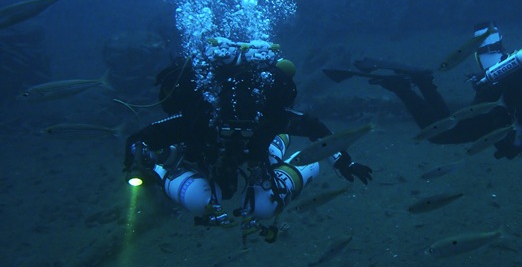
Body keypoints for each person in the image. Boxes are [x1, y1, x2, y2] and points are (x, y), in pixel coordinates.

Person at [124, 37, 372, 239]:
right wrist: (140, 162)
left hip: (254, 159)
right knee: (205, 200)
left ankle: (286, 155)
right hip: (215, 159)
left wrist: (345, 162)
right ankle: (164, 164)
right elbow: (141, 140)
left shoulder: (208, 119)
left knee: (261, 207)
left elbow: (142, 138)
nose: (236, 125)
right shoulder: (206, 118)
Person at [326, 23, 522, 161]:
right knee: (440, 133)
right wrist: (514, 144)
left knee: (448, 123)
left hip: (496, 104)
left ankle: (423, 82)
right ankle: (404, 87)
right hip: (498, 112)